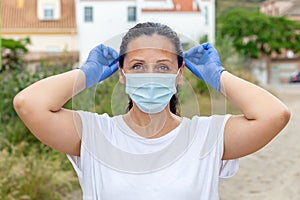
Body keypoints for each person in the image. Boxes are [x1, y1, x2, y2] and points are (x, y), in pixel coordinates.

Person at [13, 22, 290, 199]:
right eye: (137, 66)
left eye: (162, 66)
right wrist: (87, 73)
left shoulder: (206, 136)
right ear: (121, 74)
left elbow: (274, 114)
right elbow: (29, 104)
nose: (150, 75)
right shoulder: (96, 134)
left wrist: (216, 75)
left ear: (179, 73)